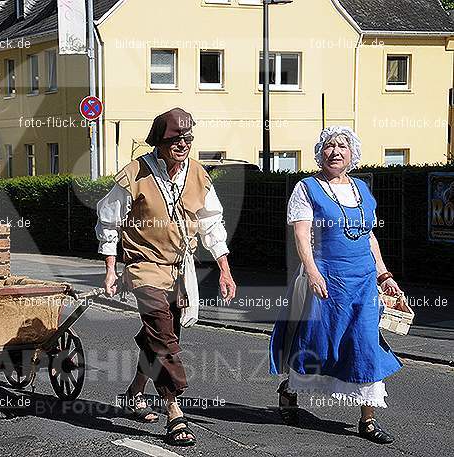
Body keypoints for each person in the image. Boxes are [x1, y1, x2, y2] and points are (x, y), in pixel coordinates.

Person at [96, 108, 236, 447]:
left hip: (179, 267)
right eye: (175, 139)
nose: (183, 144)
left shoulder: (199, 175)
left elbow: (211, 224)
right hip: (143, 265)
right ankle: (174, 410)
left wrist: (225, 270)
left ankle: (133, 393)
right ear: (159, 140)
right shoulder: (135, 174)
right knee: (161, 330)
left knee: (160, 335)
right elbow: (109, 222)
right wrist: (111, 269)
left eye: (188, 138)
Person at [269, 126, 403, 444]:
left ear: (352, 154)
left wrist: (385, 275)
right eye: (329, 146)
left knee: (365, 343)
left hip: (364, 280)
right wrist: (313, 272)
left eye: (343, 146)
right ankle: (290, 390)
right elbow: (302, 234)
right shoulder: (307, 188)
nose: (336, 151)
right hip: (327, 276)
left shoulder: (360, 189)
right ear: (321, 153)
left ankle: (367, 420)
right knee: (318, 342)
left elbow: (369, 235)